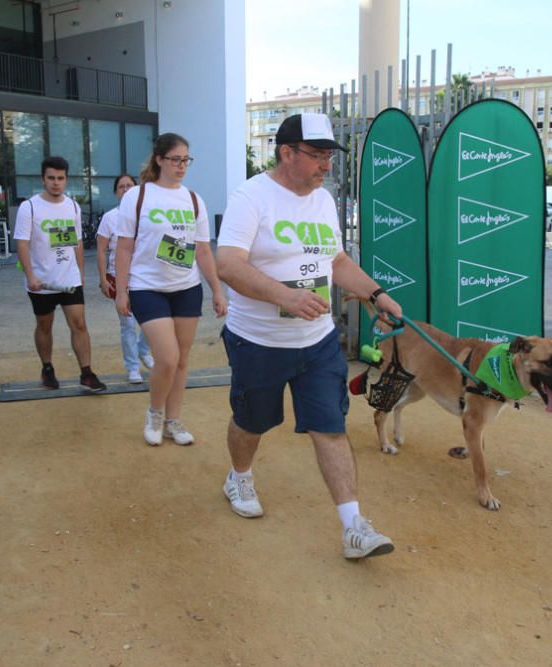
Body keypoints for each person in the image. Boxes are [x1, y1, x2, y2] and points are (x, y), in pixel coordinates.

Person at [216, 113, 403, 560]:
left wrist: (375, 293)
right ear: (286, 153)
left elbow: (335, 260)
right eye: (317, 156)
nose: (326, 166)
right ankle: (239, 475)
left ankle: (354, 526)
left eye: (328, 157)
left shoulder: (322, 201)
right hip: (258, 341)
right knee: (252, 421)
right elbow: (228, 264)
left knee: (330, 427)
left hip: (317, 341)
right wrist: (286, 296)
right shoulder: (251, 197)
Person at [114, 133, 227, 446]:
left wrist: (217, 290)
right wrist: (121, 291)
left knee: (181, 360)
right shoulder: (137, 196)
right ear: (160, 159)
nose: (181, 166)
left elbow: (203, 249)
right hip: (147, 287)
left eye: (186, 160)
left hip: (186, 288)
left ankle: (174, 420)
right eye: (175, 159)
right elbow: (124, 247)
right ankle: (155, 412)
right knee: (166, 357)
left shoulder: (193, 199)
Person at [13, 156, 106, 392]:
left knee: (79, 324)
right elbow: (22, 244)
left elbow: (76, 243)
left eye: (61, 178)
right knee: (45, 325)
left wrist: (80, 273)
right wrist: (30, 275)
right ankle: (47, 368)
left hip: (69, 278)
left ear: (66, 179)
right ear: (43, 179)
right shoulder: (30, 207)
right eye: (51, 178)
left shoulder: (72, 206)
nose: (56, 183)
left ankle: (86, 372)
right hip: (41, 281)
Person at [96, 174, 154, 383]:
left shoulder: (148, 214)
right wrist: (103, 278)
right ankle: (132, 367)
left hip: (145, 277)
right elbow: (101, 250)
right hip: (118, 278)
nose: (126, 189)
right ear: (115, 192)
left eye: (130, 185)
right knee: (128, 324)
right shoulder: (110, 218)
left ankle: (143, 350)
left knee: (151, 321)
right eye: (121, 187)